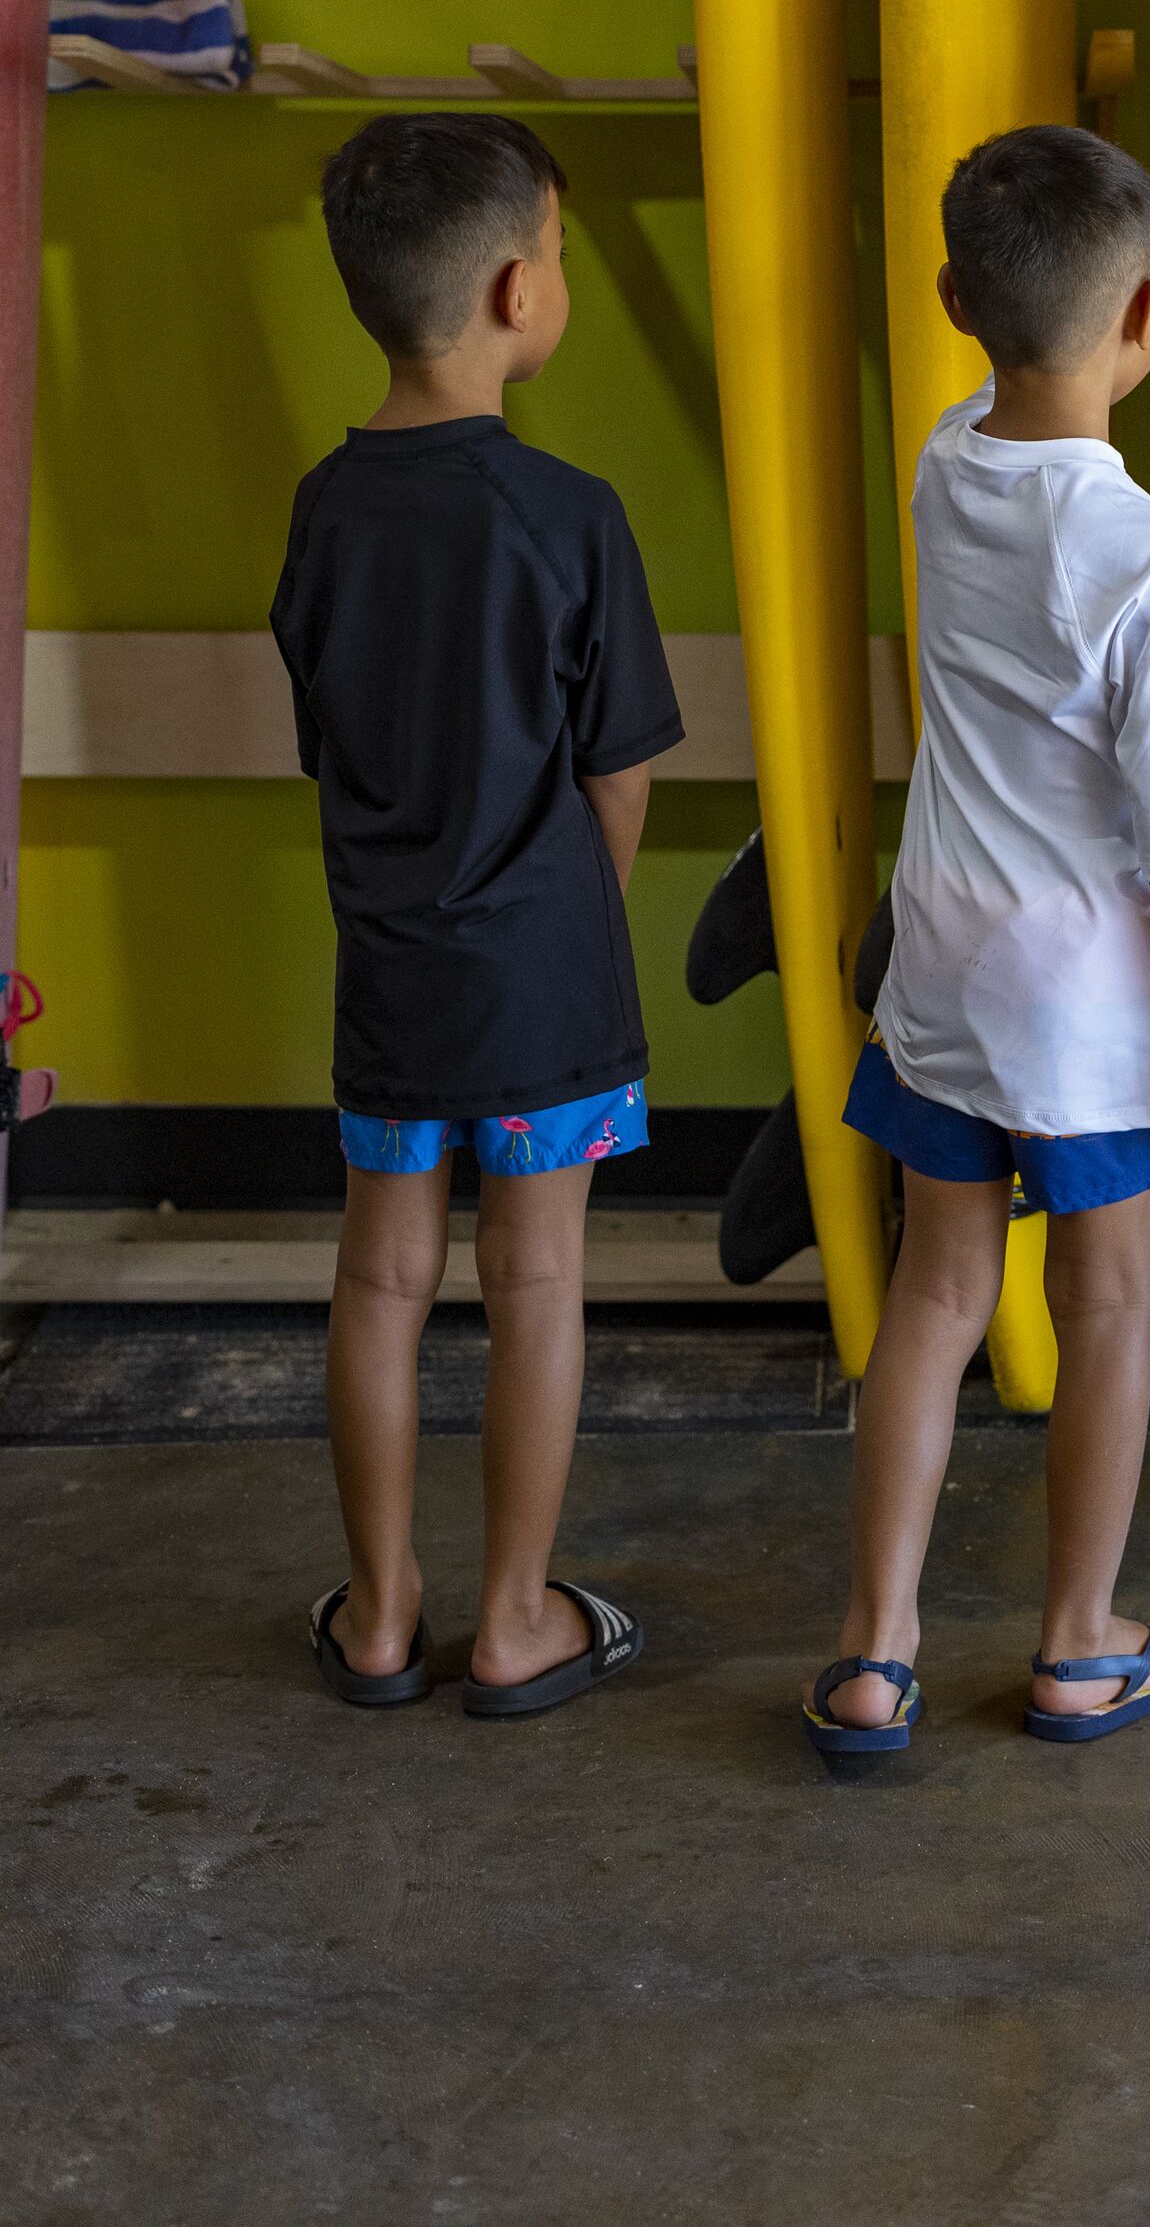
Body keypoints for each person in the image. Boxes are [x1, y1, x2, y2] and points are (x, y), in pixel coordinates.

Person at [806, 124, 1150, 1766]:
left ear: (953, 298)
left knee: (934, 1305)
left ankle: (875, 1654)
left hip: (941, 974)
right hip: (1085, 1017)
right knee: (1102, 1316)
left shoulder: (947, 461)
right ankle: (1080, 1648)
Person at [273, 114, 682, 1719]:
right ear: (520, 289)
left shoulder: (325, 508)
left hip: (388, 967)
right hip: (544, 980)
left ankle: (380, 1613)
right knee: (537, 1286)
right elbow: (623, 770)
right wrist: (575, 917)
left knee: (379, 1280)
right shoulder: (572, 513)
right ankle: (517, 1619)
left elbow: (330, 740)